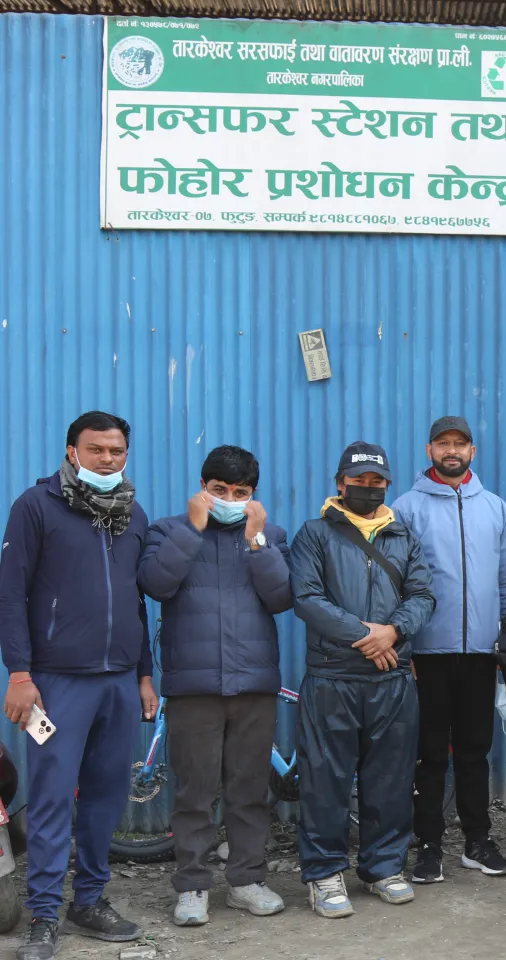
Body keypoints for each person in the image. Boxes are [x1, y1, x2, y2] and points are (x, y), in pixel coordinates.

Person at [0, 411, 157, 960]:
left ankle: (88, 900)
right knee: (48, 799)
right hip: (54, 683)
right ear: (72, 453)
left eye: (116, 451)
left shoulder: (131, 514)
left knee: (104, 798)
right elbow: (11, 594)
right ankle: (44, 915)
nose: (107, 459)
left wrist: (144, 674)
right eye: (96, 450)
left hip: (117, 683)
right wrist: (20, 673)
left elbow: (136, 601)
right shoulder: (36, 507)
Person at [138, 445, 292, 926]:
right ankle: (192, 886)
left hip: (254, 684)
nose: (228, 498)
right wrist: (193, 528)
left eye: (240, 492)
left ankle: (246, 881)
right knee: (194, 792)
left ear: (253, 496)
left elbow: (284, 596)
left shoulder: (271, 535)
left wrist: (256, 539)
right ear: (203, 487)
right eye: (219, 489)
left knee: (248, 790)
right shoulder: (168, 530)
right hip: (194, 686)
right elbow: (156, 584)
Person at [289, 442, 435, 919]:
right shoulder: (314, 534)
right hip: (333, 676)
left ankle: (383, 867)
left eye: (377, 482)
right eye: (359, 480)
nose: (367, 489)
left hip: (391, 679)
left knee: (390, 780)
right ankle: (324, 873)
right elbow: (307, 598)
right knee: (324, 780)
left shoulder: (403, 536)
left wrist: (392, 631)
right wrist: (364, 636)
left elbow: (423, 594)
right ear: (340, 482)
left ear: (387, 484)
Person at [392, 416, 506, 884]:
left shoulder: (494, 508)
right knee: (429, 753)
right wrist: (403, 646)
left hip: (481, 652)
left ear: (472, 451)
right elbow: (395, 581)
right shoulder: (406, 508)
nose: (452, 451)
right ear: (429, 450)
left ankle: (477, 841)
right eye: (443, 443)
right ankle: (428, 846)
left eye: (460, 444)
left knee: (474, 750)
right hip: (427, 650)